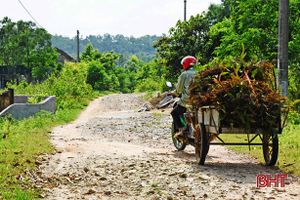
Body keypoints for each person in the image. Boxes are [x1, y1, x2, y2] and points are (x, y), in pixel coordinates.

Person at [170, 55, 197, 138]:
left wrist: (174, 93)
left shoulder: (184, 74)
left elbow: (179, 90)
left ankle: (182, 130)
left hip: (187, 100)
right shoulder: (200, 72)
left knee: (174, 112)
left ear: (185, 64)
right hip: (200, 99)